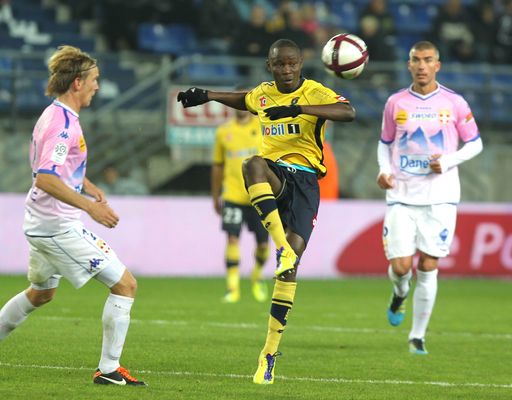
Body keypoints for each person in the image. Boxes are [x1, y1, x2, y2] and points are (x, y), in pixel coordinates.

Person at [177, 38, 355, 384]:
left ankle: (269, 354)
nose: (286, 70)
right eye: (279, 64)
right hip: (277, 174)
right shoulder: (262, 94)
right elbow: (242, 99)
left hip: (305, 183)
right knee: (253, 164)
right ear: (269, 66)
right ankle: (282, 248)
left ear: (301, 63)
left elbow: (348, 112)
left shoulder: (315, 92)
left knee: (287, 275)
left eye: (291, 64)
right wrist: (208, 95)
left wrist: (298, 110)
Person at [0, 45, 146, 386]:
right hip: (56, 226)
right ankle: (109, 370)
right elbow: (46, 178)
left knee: (41, 294)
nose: (98, 85)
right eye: (94, 79)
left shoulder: (55, 115)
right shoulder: (62, 126)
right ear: (77, 83)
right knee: (126, 285)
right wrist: (90, 206)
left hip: (41, 221)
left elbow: (55, 167)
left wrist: (88, 186)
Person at [377, 41, 483, 355]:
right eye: (416, 60)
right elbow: (384, 143)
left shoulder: (454, 102)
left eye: (427, 60)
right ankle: (399, 294)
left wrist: (448, 161)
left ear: (438, 65)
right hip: (402, 194)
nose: (421, 65)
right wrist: (384, 170)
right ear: (408, 64)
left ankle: (417, 336)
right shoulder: (395, 102)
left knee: (429, 263)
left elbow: (475, 144)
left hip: (441, 196)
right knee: (400, 267)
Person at [211, 107, 269, 303]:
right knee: (232, 239)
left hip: (259, 194)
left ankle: (257, 276)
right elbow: (218, 166)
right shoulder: (223, 132)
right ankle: (232, 288)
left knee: (263, 243)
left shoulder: (264, 127)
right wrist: (215, 195)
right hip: (233, 195)